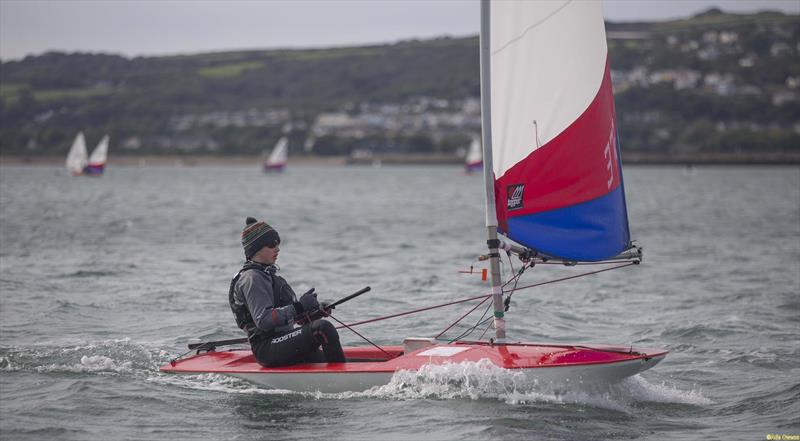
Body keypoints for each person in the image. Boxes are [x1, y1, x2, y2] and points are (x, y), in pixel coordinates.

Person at [229, 216, 345, 366]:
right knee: (322, 329)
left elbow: (294, 318)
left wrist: (312, 312)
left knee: (320, 328)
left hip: (284, 340)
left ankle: (345, 370)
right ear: (256, 248)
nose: (277, 249)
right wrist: (299, 306)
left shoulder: (269, 276)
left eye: (278, 244)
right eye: (272, 244)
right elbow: (264, 320)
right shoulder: (252, 279)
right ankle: (341, 377)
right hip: (267, 347)